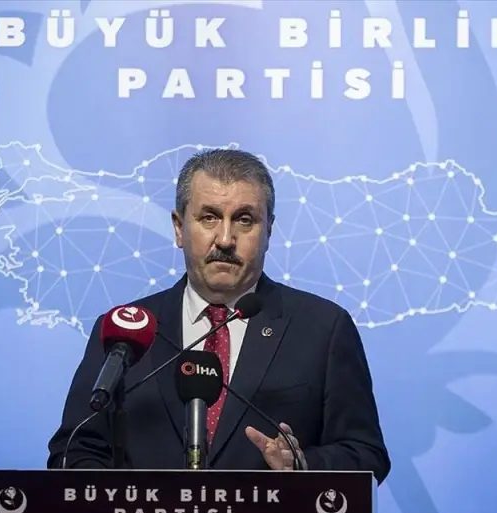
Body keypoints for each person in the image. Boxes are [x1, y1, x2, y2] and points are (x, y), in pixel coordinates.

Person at [47, 148, 390, 484]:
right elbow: (75, 449)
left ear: (269, 230)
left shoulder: (323, 329)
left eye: (244, 219)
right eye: (209, 217)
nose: (225, 239)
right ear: (179, 228)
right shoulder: (126, 331)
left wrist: (300, 465)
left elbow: (366, 454)